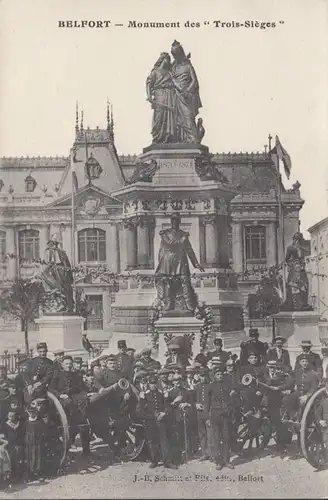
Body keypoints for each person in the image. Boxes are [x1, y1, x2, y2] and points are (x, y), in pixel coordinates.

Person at [154, 212, 204, 313]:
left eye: (176, 220)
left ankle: (188, 303)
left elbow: (189, 250)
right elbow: (167, 246)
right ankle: (168, 304)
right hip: (168, 260)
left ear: (179, 222)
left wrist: (196, 263)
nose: (174, 222)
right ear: (171, 221)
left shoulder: (183, 234)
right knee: (168, 281)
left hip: (181, 259)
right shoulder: (165, 234)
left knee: (185, 281)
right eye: (173, 220)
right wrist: (161, 264)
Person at [49, 355, 90, 457]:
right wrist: (60, 395)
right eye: (66, 364)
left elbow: (82, 388)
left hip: (74, 397)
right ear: (62, 365)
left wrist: (86, 393)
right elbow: (51, 389)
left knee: (85, 400)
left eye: (70, 364)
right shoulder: (57, 374)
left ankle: (86, 451)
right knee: (68, 403)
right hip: (63, 399)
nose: (68, 366)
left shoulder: (76, 375)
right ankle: (77, 420)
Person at [138, 374, 176, 469]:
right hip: (150, 422)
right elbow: (140, 411)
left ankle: (167, 462)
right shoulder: (144, 396)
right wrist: (151, 416)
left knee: (164, 441)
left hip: (161, 421)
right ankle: (154, 461)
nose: (153, 385)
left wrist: (164, 413)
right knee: (152, 441)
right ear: (148, 384)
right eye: (151, 383)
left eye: (154, 383)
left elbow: (167, 406)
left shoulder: (161, 395)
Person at [170, 40, 202, 143]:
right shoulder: (173, 67)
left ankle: (193, 138)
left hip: (187, 96)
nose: (175, 57)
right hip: (176, 95)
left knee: (188, 116)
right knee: (176, 119)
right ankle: (181, 139)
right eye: (174, 55)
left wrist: (187, 91)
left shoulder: (188, 66)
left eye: (177, 54)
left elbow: (195, 81)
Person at [204, 365, 234, 470]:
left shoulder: (227, 386)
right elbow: (207, 404)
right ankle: (218, 462)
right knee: (216, 439)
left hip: (225, 415)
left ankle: (226, 461)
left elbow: (230, 400)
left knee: (226, 438)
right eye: (217, 374)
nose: (220, 376)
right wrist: (207, 418)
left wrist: (229, 409)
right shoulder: (210, 386)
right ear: (214, 376)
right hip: (214, 416)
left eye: (221, 374)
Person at [146, 52, 176, 144]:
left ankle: (168, 136)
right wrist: (149, 96)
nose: (169, 62)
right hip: (160, 95)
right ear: (163, 59)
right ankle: (157, 136)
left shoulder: (169, 72)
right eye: (168, 59)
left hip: (170, 95)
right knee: (159, 116)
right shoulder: (155, 72)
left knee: (169, 116)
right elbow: (149, 84)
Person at [284, 353, 320, 420]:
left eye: (306, 361)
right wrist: (288, 390)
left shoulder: (313, 374)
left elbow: (313, 388)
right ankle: (291, 417)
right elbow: (291, 383)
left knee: (301, 402)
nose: (304, 363)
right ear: (300, 362)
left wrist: (306, 396)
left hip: (308, 395)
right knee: (286, 399)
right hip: (298, 393)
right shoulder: (297, 372)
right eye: (303, 361)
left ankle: (299, 420)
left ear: (309, 363)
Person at [194, 366, 210, 460]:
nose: (203, 378)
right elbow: (193, 399)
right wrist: (196, 404)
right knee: (202, 434)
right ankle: (204, 453)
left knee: (210, 434)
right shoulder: (197, 387)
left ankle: (211, 453)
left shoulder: (211, 386)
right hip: (200, 414)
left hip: (208, 413)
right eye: (201, 376)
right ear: (199, 376)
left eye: (204, 376)